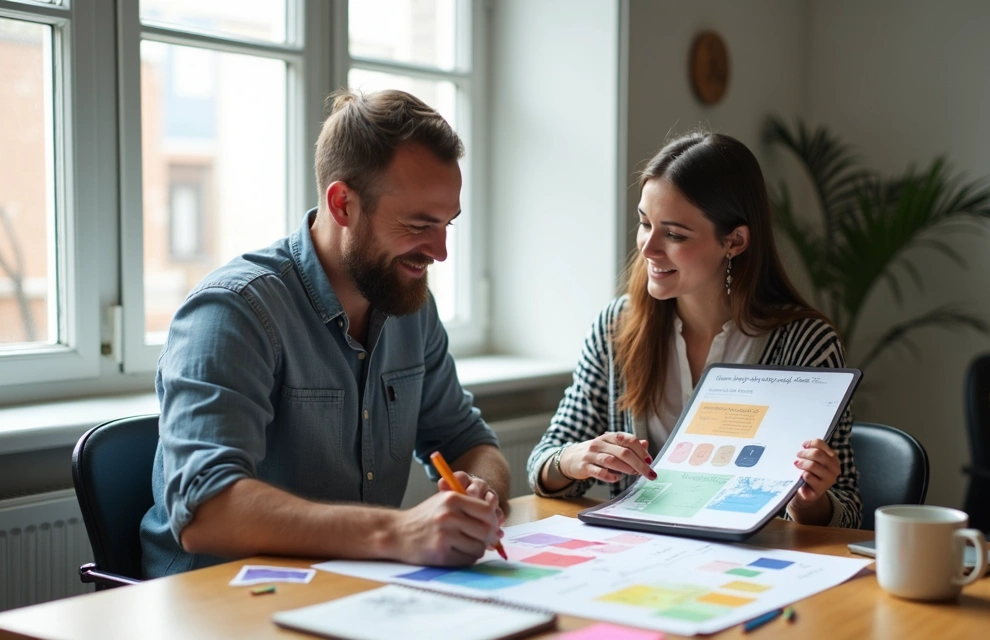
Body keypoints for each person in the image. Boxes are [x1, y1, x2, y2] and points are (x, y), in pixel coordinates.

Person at [140, 89, 510, 577]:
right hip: (218, 602)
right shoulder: (233, 311)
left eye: (446, 225)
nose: (439, 252)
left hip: (346, 590)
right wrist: (397, 533)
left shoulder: (409, 303)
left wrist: (481, 491)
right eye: (419, 224)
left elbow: (470, 441)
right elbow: (207, 511)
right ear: (343, 204)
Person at [526, 131, 861, 528]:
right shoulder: (616, 327)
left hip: (751, 568)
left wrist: (808, 503)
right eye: (644, 223)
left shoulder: (807, 344)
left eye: (674, 234)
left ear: (734, 241)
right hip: (637, 558)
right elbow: (543, 465)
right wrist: (574, 459)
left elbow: (849, 510)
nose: (648, 248)